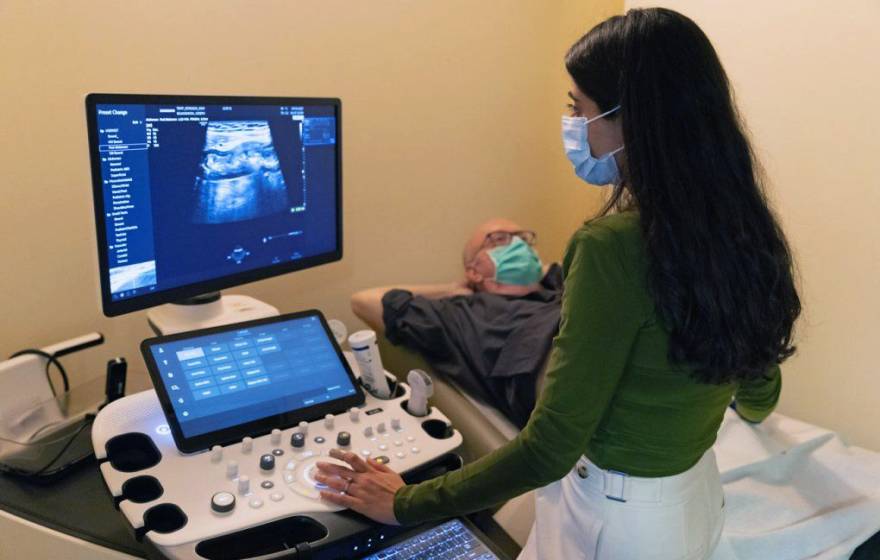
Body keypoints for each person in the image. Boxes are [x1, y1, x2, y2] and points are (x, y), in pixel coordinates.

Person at [316, 8, 801, 560]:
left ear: (630, 119)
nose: (572, 123)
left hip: (620, 525)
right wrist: (755, 414)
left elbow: (549, 448)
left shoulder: (611, 247)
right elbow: (760, 379)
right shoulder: (740, 228)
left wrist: (404, 502)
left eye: (578, 108)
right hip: (693, 503)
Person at [350, 217, 563, 427]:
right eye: (500, 239)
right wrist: (451, 290)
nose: (519, 246)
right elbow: (363, 301)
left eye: (524, 240)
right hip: (558, 367)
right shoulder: (460, 313)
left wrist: (539, 274)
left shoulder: (558, 286)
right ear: (474, 271)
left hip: (582, 336)